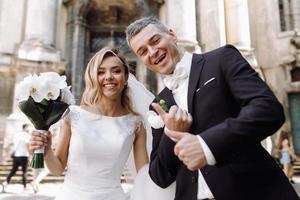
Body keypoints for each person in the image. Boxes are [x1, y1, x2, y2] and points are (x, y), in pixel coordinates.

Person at [126, 16, 299, 200]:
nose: (152, 52)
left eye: (155, 40)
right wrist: (171, 132)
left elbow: (267, 109)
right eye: (143, 51)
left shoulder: (221, 59)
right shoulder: (158, 104)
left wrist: (206, 145)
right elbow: (160, 176)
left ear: (172, 35)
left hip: (253, 191)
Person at [29, 47, 151, 200]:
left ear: (126, 77)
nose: (108, 77)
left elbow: (143, 176)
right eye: (101, 72)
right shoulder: (73, 115)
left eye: (116, 71)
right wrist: (46, 151)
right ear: (93, 77)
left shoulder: (136, 123)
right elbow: (57, 168)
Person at [1, 123, 31, 192]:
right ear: (25, 128)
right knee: (24, 172)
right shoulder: (26, 135)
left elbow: (13, 145)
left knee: (13, 171)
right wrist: (30, 155)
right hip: (24, 156)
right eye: (28, 128)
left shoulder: (17, 135)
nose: (29, 129)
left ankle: (5, 182)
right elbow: (27, 145)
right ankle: (25, 187)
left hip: (16, 156)